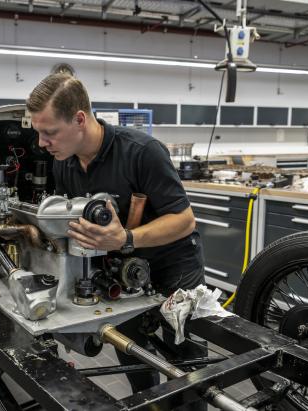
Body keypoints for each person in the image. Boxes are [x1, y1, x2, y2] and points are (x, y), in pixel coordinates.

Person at [26, 73, 206, 409]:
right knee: (130, 347)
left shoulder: (143, 152)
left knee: (186, 362)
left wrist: (126, 238)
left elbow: (185, 220)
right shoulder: (63, 164)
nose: (41, 142)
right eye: (39, 132)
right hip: (122, 270)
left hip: (173, 266)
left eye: (49, 132)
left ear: (79, 119)